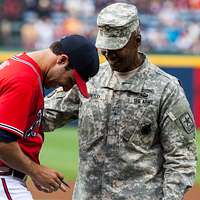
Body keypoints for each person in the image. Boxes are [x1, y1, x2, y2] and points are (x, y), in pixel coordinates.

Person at [44, 3, 196, 200]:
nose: (109, 53)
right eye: (105, 47)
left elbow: (182, 158)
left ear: (137, 40)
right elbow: (45, 116)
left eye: (116, 47)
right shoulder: (91, 78)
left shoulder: (166, 89)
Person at [0, 34, 99, 200]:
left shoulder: (23, 66)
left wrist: (29, 170)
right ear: (62, 60)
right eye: (72, 80)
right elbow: (2, 142)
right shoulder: (25, 79)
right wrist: (36, 172)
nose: (68, 88)